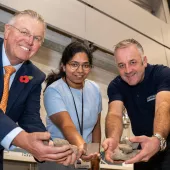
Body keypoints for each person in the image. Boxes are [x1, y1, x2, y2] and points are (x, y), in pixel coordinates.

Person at [0, 9, 76, 170]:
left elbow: (30, 118)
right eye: (24, 32)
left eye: (37, 38)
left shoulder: (34, 76)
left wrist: (48, 147)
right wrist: (23, 139)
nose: (29, 41)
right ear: (7, 31)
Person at [102, 39, 170, 170]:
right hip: (143, 145)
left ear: (144, 61)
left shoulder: (162, 74)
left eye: (132, 62)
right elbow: (114, 114)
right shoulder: (116, 85)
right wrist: (113, 139)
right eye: (121, 65)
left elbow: (164, 105)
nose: (128, 70)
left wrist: (157, 139)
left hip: (165, 140)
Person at [38, 41, 102, 170]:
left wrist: (94, 158)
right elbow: (66, 125)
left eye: (85, 65)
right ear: (63, 66)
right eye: (74, 65)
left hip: (84, 159)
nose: (80, 70)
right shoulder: (54, 91)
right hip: (59, 158)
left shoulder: (94, 89)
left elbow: (96, 126)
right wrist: (84, 150)